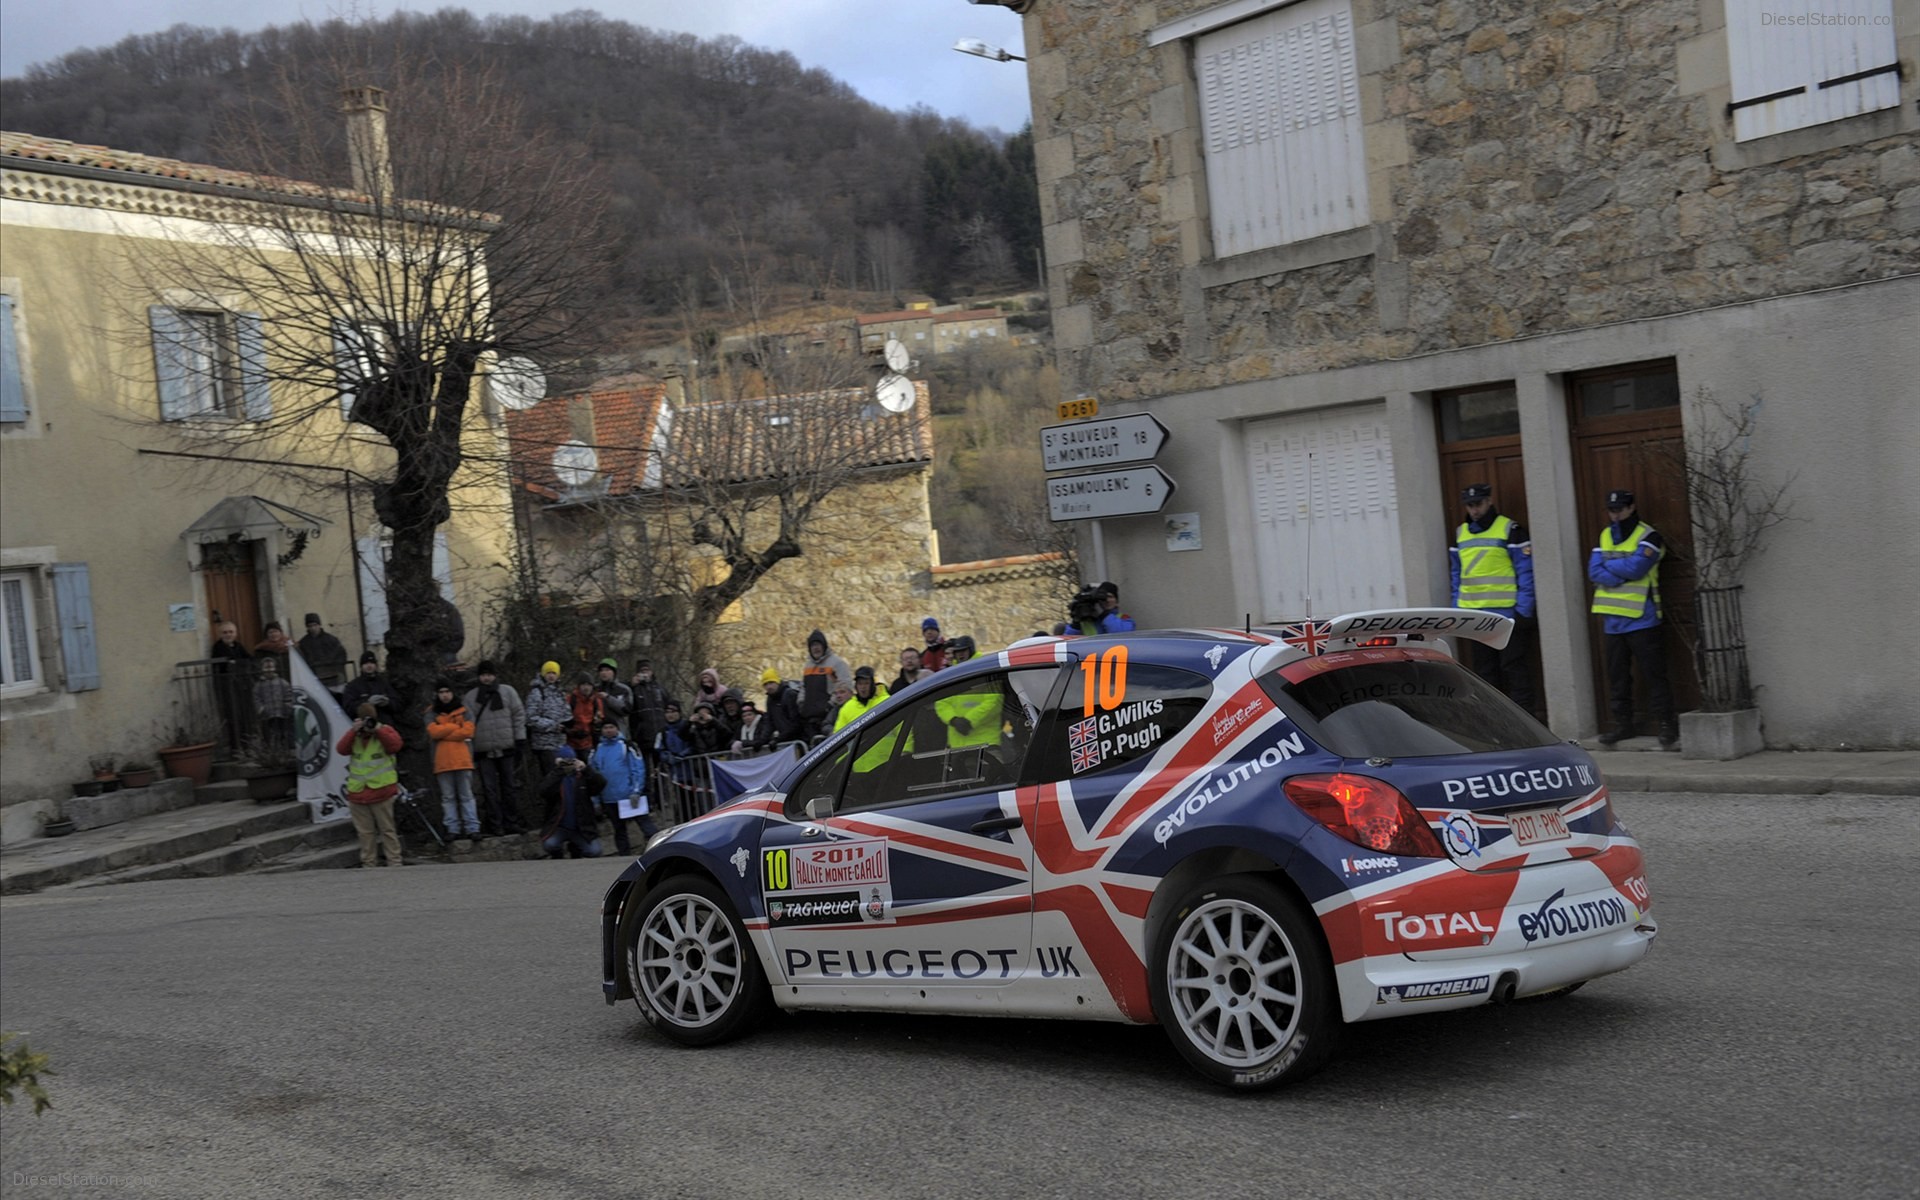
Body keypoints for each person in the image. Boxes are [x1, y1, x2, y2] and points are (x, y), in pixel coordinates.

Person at [1589, 489, 1678, 750]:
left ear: (1631, 508)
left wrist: (1611, 570)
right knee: (1617, 677)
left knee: (1654, 674)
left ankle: (1666, 725)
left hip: (1643, 617)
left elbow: (1639, 568)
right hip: (1613, 621)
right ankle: (1622, 725)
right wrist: (1622, 573)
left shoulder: (1649, 535)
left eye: (1619, 509)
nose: (1614, 514)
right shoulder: (1605, 534)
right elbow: (1593, 570)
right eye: (1611, 510)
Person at [1449, 483, 1537, 714]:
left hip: (1506, 616)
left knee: (1514, 669)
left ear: (1489, 501)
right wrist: (1457, 610)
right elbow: (1456, 575)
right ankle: (1495, 723)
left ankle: (1527, 722)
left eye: (1478, 504)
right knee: (1484, 674)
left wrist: (1524, 610)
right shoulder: (1460, 533)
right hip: (1475, 618)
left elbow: (1526, 571)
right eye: (1469, 505)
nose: (1474, 510)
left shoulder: (1509, 528)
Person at [336, 703, 405, 868]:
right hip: (358, 792)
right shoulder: (355, 736)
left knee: (387, 830)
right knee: (365, 833)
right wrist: (353, 731)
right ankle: (369, 863)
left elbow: (395, 745)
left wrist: (377, 730)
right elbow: (341, 749)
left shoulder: (385, 730)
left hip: (382, 791)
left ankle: (394, 862)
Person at [463, 660, 527, 836]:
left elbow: (518, 714)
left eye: (489, 674)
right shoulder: (470, 697)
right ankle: (495, 824)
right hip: (483, 751)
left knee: (509, 787)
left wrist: (520, 737)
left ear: (495, 675)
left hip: (507, 747)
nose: (487, 678)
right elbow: (467, 724)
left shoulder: (508, 692)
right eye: (483, 675)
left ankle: (512, 822)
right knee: (489, 790)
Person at [588, 716, 658, 855]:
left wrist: (636, 791)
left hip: (628, 796)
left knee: (647, 827)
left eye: (611, 727)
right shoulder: (596, 749)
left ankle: (660, 850)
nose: (608, 730)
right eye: (605, 728)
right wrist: (596, 800)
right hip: (609, 798)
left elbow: (638, 769)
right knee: (619, 830)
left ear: (617, 729)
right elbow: (593, 776)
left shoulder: (627, 746)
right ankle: (623, 857)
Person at [428, 681, 481, 839]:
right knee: (448, 797)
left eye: (447, 691)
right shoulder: (431, 712)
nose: (445, 695)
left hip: (463, 759)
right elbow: (433, 733)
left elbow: (469, 731)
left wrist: (445, 731)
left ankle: (472, 827)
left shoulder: (465, 711)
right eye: (441, 692)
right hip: (442, 761)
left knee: (466, 795)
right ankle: (453, 829)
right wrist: (454, 728)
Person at [539, 746, 605, 859]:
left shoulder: (583, 777)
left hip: (581, 828)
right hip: (560, 827)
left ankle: (576, 848)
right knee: (550, 845)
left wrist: (585, 768)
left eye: (571, 760)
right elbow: (543, 791)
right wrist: (559, 770)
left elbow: (600, 784)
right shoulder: (555, 777)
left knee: (595, 851)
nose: (568, 764)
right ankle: (558, 855)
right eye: (565, 760)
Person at [208, 620, 255, 753]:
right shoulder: (218, 648)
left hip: (241, 686)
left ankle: (248, 745)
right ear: (220, 634)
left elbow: (249, 659)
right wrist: (235, 664)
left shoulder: (238, 646)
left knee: (246, 716)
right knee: (233, 716)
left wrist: (238, 663)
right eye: (225, 632)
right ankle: (236, 748)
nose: (228, 634)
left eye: (231, 632)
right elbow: (222, 666)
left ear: (235, 633)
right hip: (227, 688)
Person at [799, 631, 852, 739]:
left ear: (824, 646)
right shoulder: (808, 666)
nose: (816, 648)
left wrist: (830, 704)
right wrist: (801, 702)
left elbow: (845, 685)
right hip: (810, 717)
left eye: (818, 644)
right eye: (813, 645)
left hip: (827, 715)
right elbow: (803, 687)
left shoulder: (837, 663)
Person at [524, 661, 571, 778]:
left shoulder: (560, 692)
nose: (551, 676)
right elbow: (530, 718)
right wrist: (553, 725)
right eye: (548, 672)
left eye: (554, 673)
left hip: (560, 742)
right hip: (544, 744)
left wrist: (569, 724)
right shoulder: (536, 692)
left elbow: (566, 713)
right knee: (551, 778)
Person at [628, 659, 671, 765]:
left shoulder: (660, 689)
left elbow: (670, 706)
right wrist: (631, 686)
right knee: (646, 768)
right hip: (642, 736)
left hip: (661, 734)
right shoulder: (633, 689)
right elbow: (626, 706)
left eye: (647, 670)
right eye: (642, 671)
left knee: (663, 767)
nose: (645, 673)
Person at [253, 656, 294, 754]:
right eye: (266, 668)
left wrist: (288, 706)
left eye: (271, 668)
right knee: (270, 733)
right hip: (268, 714)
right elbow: (256, 698)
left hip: (282, 713)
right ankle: (272, 750)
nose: (269, 671)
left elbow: (289, 695)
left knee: (284, 732)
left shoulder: (282, 683)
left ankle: (286, 749)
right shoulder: (259, 685)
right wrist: (261, 709)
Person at [298, 613, 350, 690]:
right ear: (307, 627)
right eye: (310, 626)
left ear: (319, 625)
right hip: (314, 680)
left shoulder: (331, 640)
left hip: (334, 678)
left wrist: (336, 668)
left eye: (315, 625)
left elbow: (341, 655)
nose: (313, 628)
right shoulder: (303, 643)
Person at [757, 669, 805, 748]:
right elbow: (770, 722)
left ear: (777, 682)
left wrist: (779, 739)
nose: (769, 687)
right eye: (765, 684)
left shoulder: (789, 694)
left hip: (798, 740)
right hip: (786, 741)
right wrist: (761, 741)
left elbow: (796, 722)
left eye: (771, 683)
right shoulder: (770, 699)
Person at [833, 666, 890, 732]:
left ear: (873, 684)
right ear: (855, 685)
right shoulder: (847, 708)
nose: (863, 687)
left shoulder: (886, 702)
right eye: (860, 684)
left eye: (866, 683)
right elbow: (839, 735)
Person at [340, 651, 394, 717]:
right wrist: (367, 702)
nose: (369, 666)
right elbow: (348, 707)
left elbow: (397, 704)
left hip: (385, 723)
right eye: (366, 663)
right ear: (361, 666)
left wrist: (387, 703)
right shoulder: (353, 686)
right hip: (365, 724)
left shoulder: (384, 682)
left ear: (376, 665)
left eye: (371, 663)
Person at [594, 657, 634, 739]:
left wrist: (608, 698)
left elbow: (626, 709)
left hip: (619, 731)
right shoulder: (595, 689)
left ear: (614, 672)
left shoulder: (623, 689)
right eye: (601, 670)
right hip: (599, 732)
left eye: (607, 670)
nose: (604, 673)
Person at [565, 671, 603, 756]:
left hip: (588, 742)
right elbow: (563, 720)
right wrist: (571, 731)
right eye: (583, 684)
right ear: (579, 686)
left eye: (589, 685)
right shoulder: (570, 700)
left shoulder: (596, 701)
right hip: (571, 742)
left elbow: (599, 721)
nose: (586, 688)